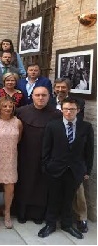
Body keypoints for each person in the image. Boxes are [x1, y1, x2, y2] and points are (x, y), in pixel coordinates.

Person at [38, 98, 94, 239]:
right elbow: (46, 149)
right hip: (55, 169)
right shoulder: (52, 126)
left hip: (75, 170)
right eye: (66, 109)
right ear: (61, 110)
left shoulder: (86, 127)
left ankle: (67, 224)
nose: (69, 112)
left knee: (69, 199)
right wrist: (46, 166)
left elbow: (89, 151)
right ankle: (50, 224)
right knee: (53, 197)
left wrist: (87, 170)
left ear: (78, 110)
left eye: (72, 109)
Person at [14, 86, 61, 223]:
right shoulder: (21, 112)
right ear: (32, 96)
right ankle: (21, 212)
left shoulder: (56, 114)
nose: (41, 98)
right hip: (25, 155)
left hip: (46, 156)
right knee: (25, 183)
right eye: (37, 95)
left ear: (49, 97)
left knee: (41, 185)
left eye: (44, 95)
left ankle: (38, 214)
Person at [49, 77, 88, 233]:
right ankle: (56, 217)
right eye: (57, 87)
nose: (60, 90)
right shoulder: (50, 102)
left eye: (63, 87)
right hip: (56, 150)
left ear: (68, 89)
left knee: (78, 190)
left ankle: (82, 218)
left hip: (72, 151)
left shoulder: (78, 103)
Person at [0, 96, 23, 229]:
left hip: (10, 158)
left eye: (10, 106)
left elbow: (19, 139)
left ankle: (7, 211)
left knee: (10, 186)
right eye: (5, 106)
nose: (8, 108)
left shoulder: (17, 122)